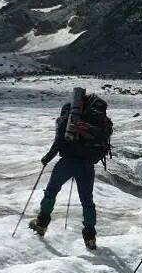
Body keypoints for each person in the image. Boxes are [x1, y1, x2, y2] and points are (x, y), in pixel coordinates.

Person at [29, 89, 112, 249]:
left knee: (51, 191)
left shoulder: (68, 114)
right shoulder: (97, 118)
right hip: (86, 166)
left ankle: (41, 224)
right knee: (87, 201)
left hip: (66, 162)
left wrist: (47, 158)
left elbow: (59, 142)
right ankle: (90, 238)